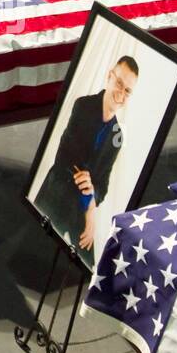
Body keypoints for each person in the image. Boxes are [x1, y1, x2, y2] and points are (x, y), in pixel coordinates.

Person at [34, 55, 139, 255]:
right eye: (119, 83)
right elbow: (66, 159)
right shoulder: (82, 106)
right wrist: (90, 210)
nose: (121, 94)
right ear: (109, 77)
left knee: (89, 262)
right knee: (37, 251)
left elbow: (103, 186)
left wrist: (92, 203)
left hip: (81, 206)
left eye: (127, 91)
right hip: (58, 190)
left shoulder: (117, 135)